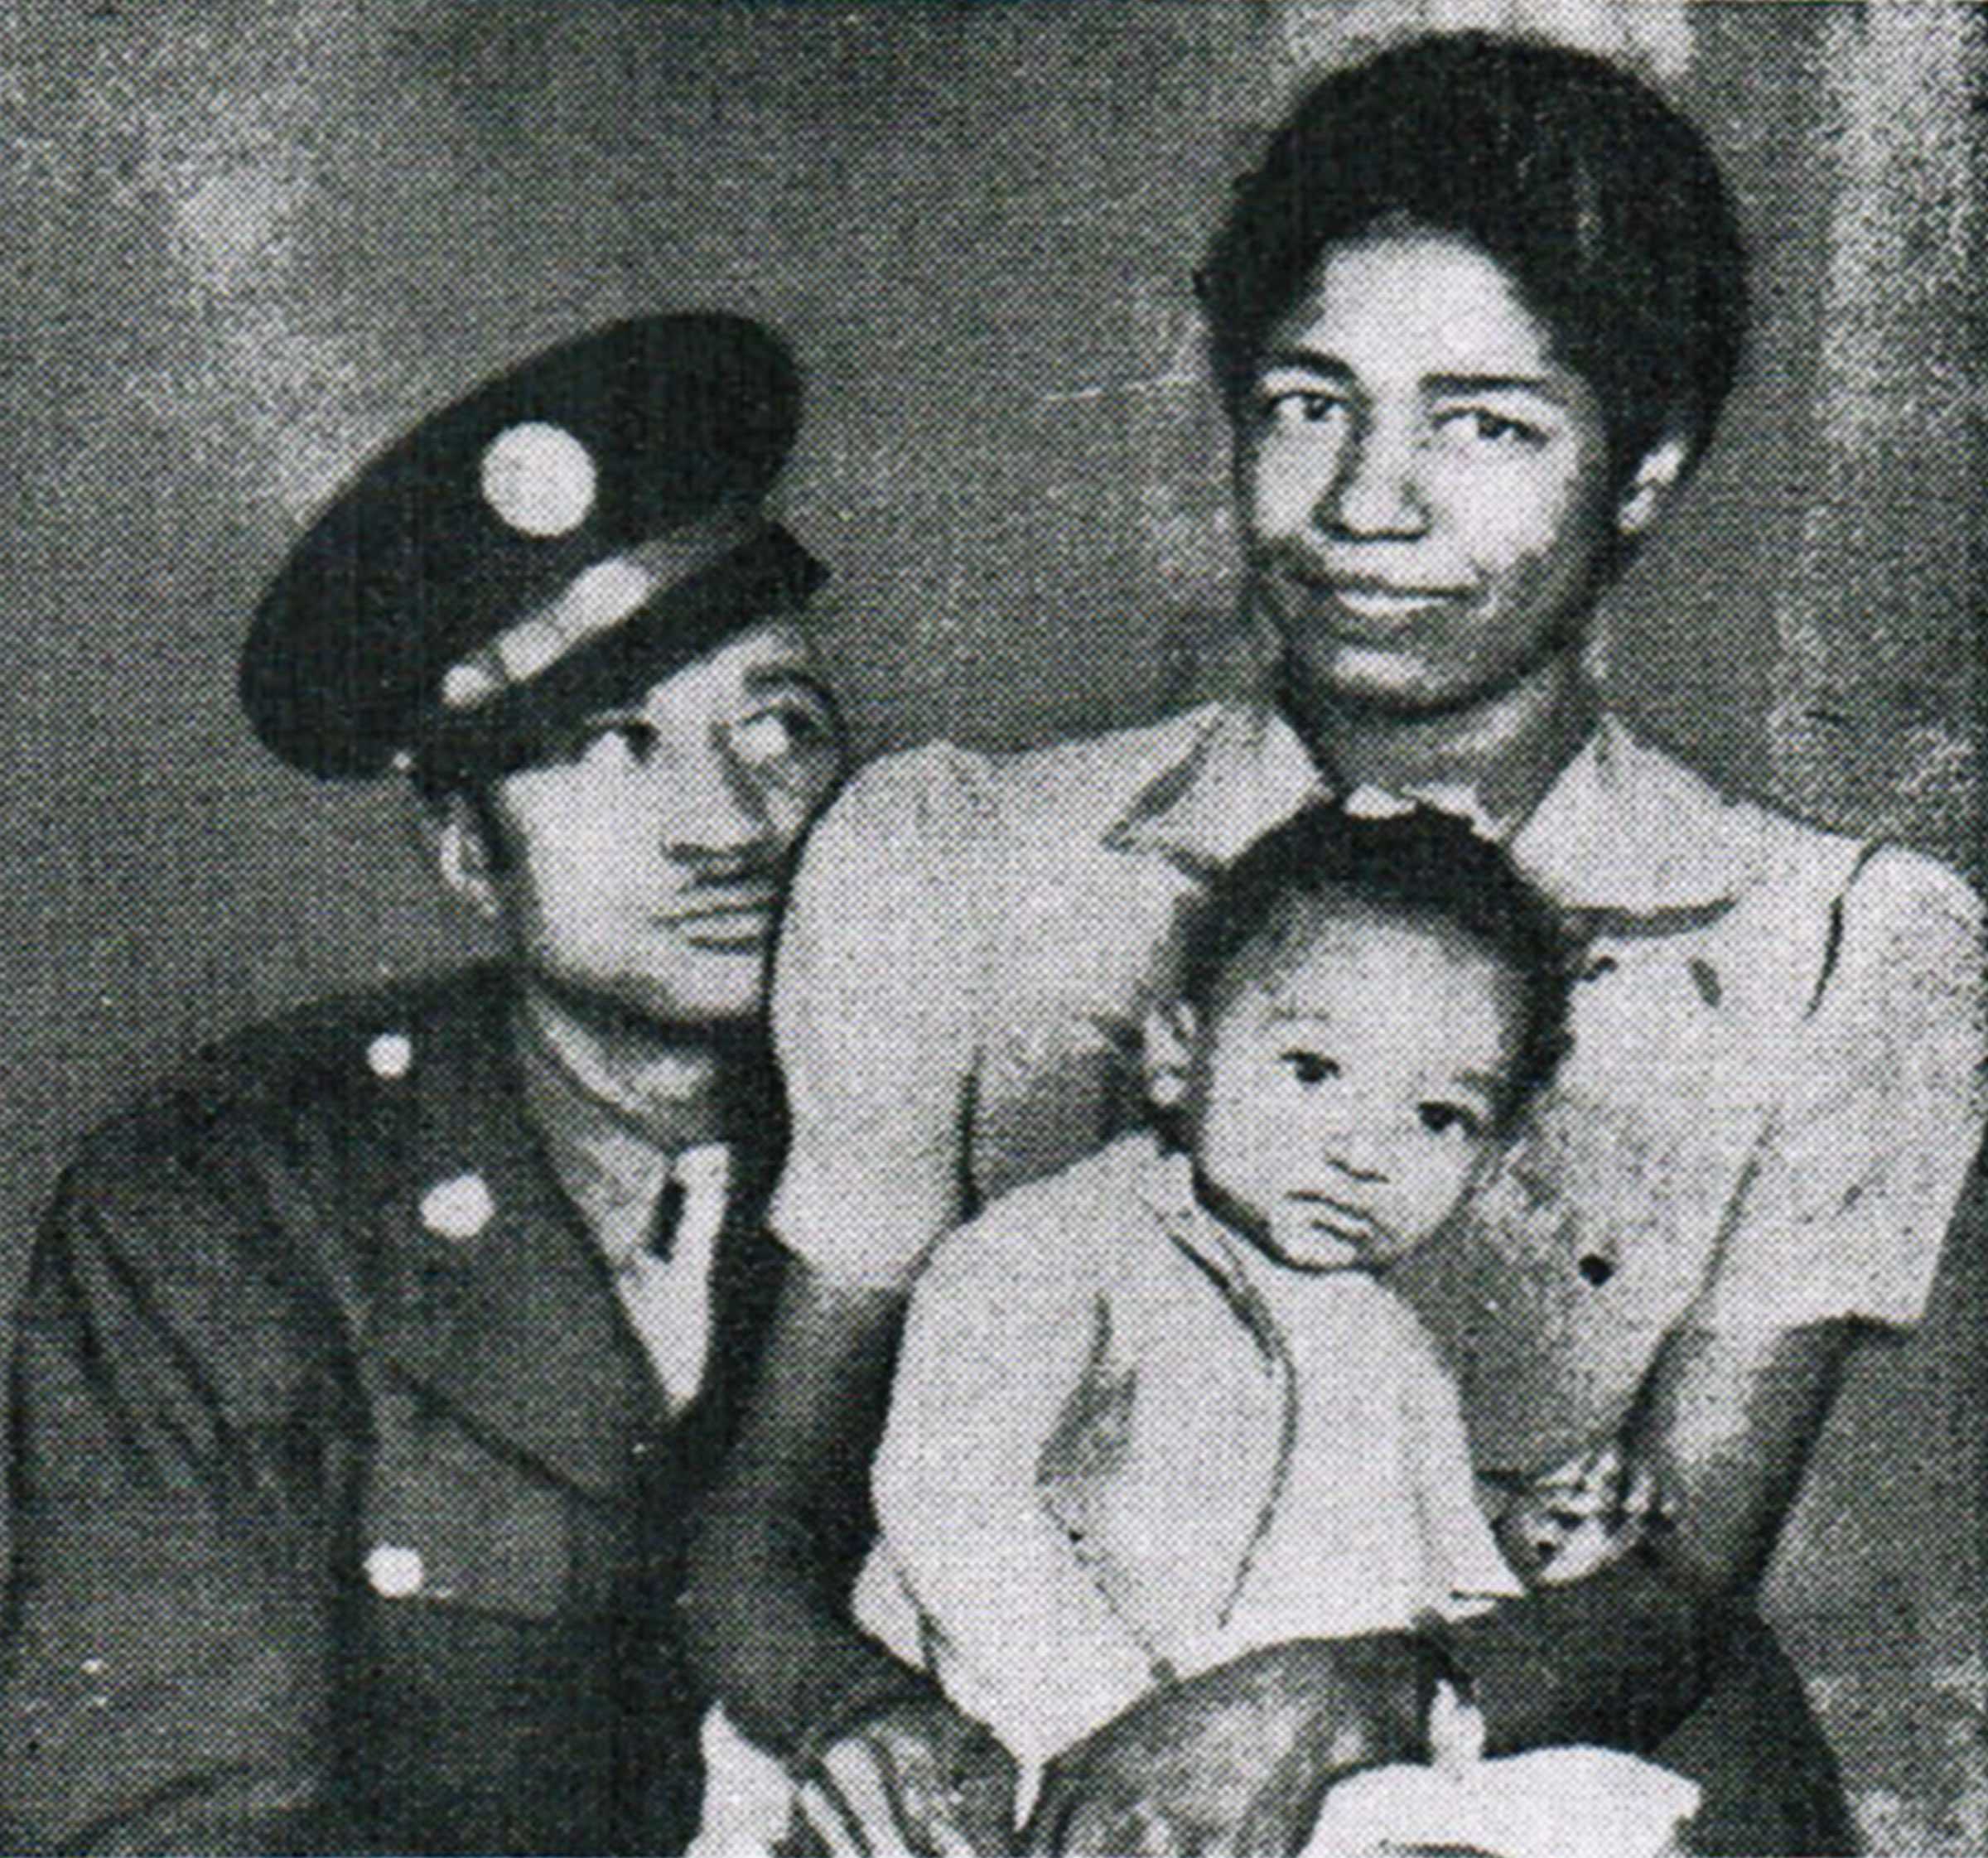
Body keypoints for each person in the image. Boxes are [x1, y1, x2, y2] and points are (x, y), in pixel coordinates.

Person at [683, 34, 1986, 1858]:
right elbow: (762, 1535)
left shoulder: (1855, 949)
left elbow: (1677, 1593)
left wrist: (1354, 1702)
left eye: (1486, 425)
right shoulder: (955, 857)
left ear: (1646, 471)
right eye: (1310, 403)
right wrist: (867, 1717)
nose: (1369, 505)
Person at [0, 313, 848, 1855]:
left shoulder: (988, 1126)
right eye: (612, 748)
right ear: (469, 854)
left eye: (780, 727)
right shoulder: (223, 1213)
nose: (731, 822)